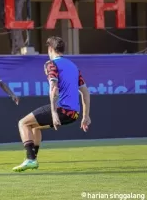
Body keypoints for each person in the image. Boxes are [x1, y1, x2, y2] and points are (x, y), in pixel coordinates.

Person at [12, 36, 91, 172]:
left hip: (61, 109)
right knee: (35, 127)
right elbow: (85, 92)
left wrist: (54, 113)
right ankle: (33, 160)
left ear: (50, 49)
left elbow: (54, 87)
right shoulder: (73, 66)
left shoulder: (50, 64)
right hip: (74, 114)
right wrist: (86, 116)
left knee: (23, 123)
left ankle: (30, 159)